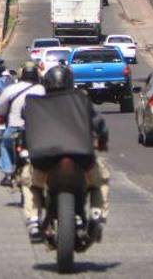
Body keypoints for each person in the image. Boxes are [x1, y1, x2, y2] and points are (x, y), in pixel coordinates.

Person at [22, 62, 110, 243]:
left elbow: (27, 130)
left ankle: (33, 221)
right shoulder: (81, 100)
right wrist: (102, 141)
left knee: (29, 183)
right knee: (101, 180)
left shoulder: (36, 103)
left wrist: (25, 146)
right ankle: (97, 214)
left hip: (45, 160)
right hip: (81, 158)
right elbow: (99, 125)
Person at [0, 62, 44, 187]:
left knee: (4, 144)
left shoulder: (11, 89)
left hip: (14, 128)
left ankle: (8, 173)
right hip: (37, 130)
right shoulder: (42, 90)